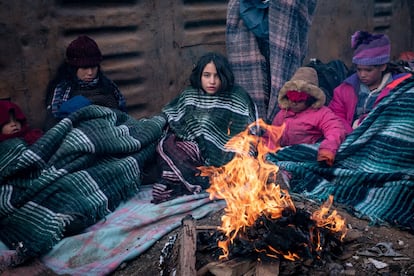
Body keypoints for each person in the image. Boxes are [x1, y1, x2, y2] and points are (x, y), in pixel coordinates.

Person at [152, 52, 257, 203]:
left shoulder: (237, 96)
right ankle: (194, 181)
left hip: (228, 154)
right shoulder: (190, 94)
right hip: (196, 154)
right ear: (199, 76)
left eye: (217, 76)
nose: (212, 81)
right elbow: (174, 118)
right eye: (206, 75)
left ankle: (208, 181)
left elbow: (247, 132)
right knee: (168, 144)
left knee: (243, 163)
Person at [329, 31, 412, 134]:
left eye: (368, 70)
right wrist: (351, 135)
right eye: (359, 69)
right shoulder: (344, 90)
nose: (362, 74)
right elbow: (335, 116)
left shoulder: (400, 89)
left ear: (382, 66)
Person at [265, 67, 346, 166]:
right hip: (285, 156)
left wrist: (327, 150)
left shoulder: (322, 113)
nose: (294, 103)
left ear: (310, 98)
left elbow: (335, 130)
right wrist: (267, 152)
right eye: (291, 98)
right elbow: (271, 137)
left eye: (300, 100)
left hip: (309, 156)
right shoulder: (282, 114)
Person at [44, 35, 127, 130]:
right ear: (73, 68)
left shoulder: (109, 87)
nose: (90, 72)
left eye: (93, 67)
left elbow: (122, 116)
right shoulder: (62, 92)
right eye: (84, 68)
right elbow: (52, 127)